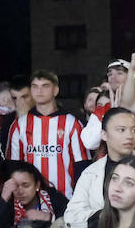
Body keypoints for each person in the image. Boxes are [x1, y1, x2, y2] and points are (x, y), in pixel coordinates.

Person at [8, 69, 88, 198]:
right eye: (35, 86)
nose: (39, 91)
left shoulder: (72, 123)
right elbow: (13, 165)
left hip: (65, 198)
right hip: (30, 200)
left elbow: (81, 165)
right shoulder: (19, 124)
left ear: (55, 90)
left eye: (45, 86)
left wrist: (80, 199)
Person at [64, 106, 135, 228]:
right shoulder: (91, 172)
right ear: (104, 134)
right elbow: (71, 216)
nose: (129, 136)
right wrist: (103, 215)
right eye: (121, 130)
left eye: (134, 130)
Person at [0, 160, 68, 228]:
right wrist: (3, 198)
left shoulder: (52, 196)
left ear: (37, 185)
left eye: (26, 186)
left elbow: (72, 220)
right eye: (16, 186)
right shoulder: (8, 200)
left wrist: (50, 217)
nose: (20, 191)